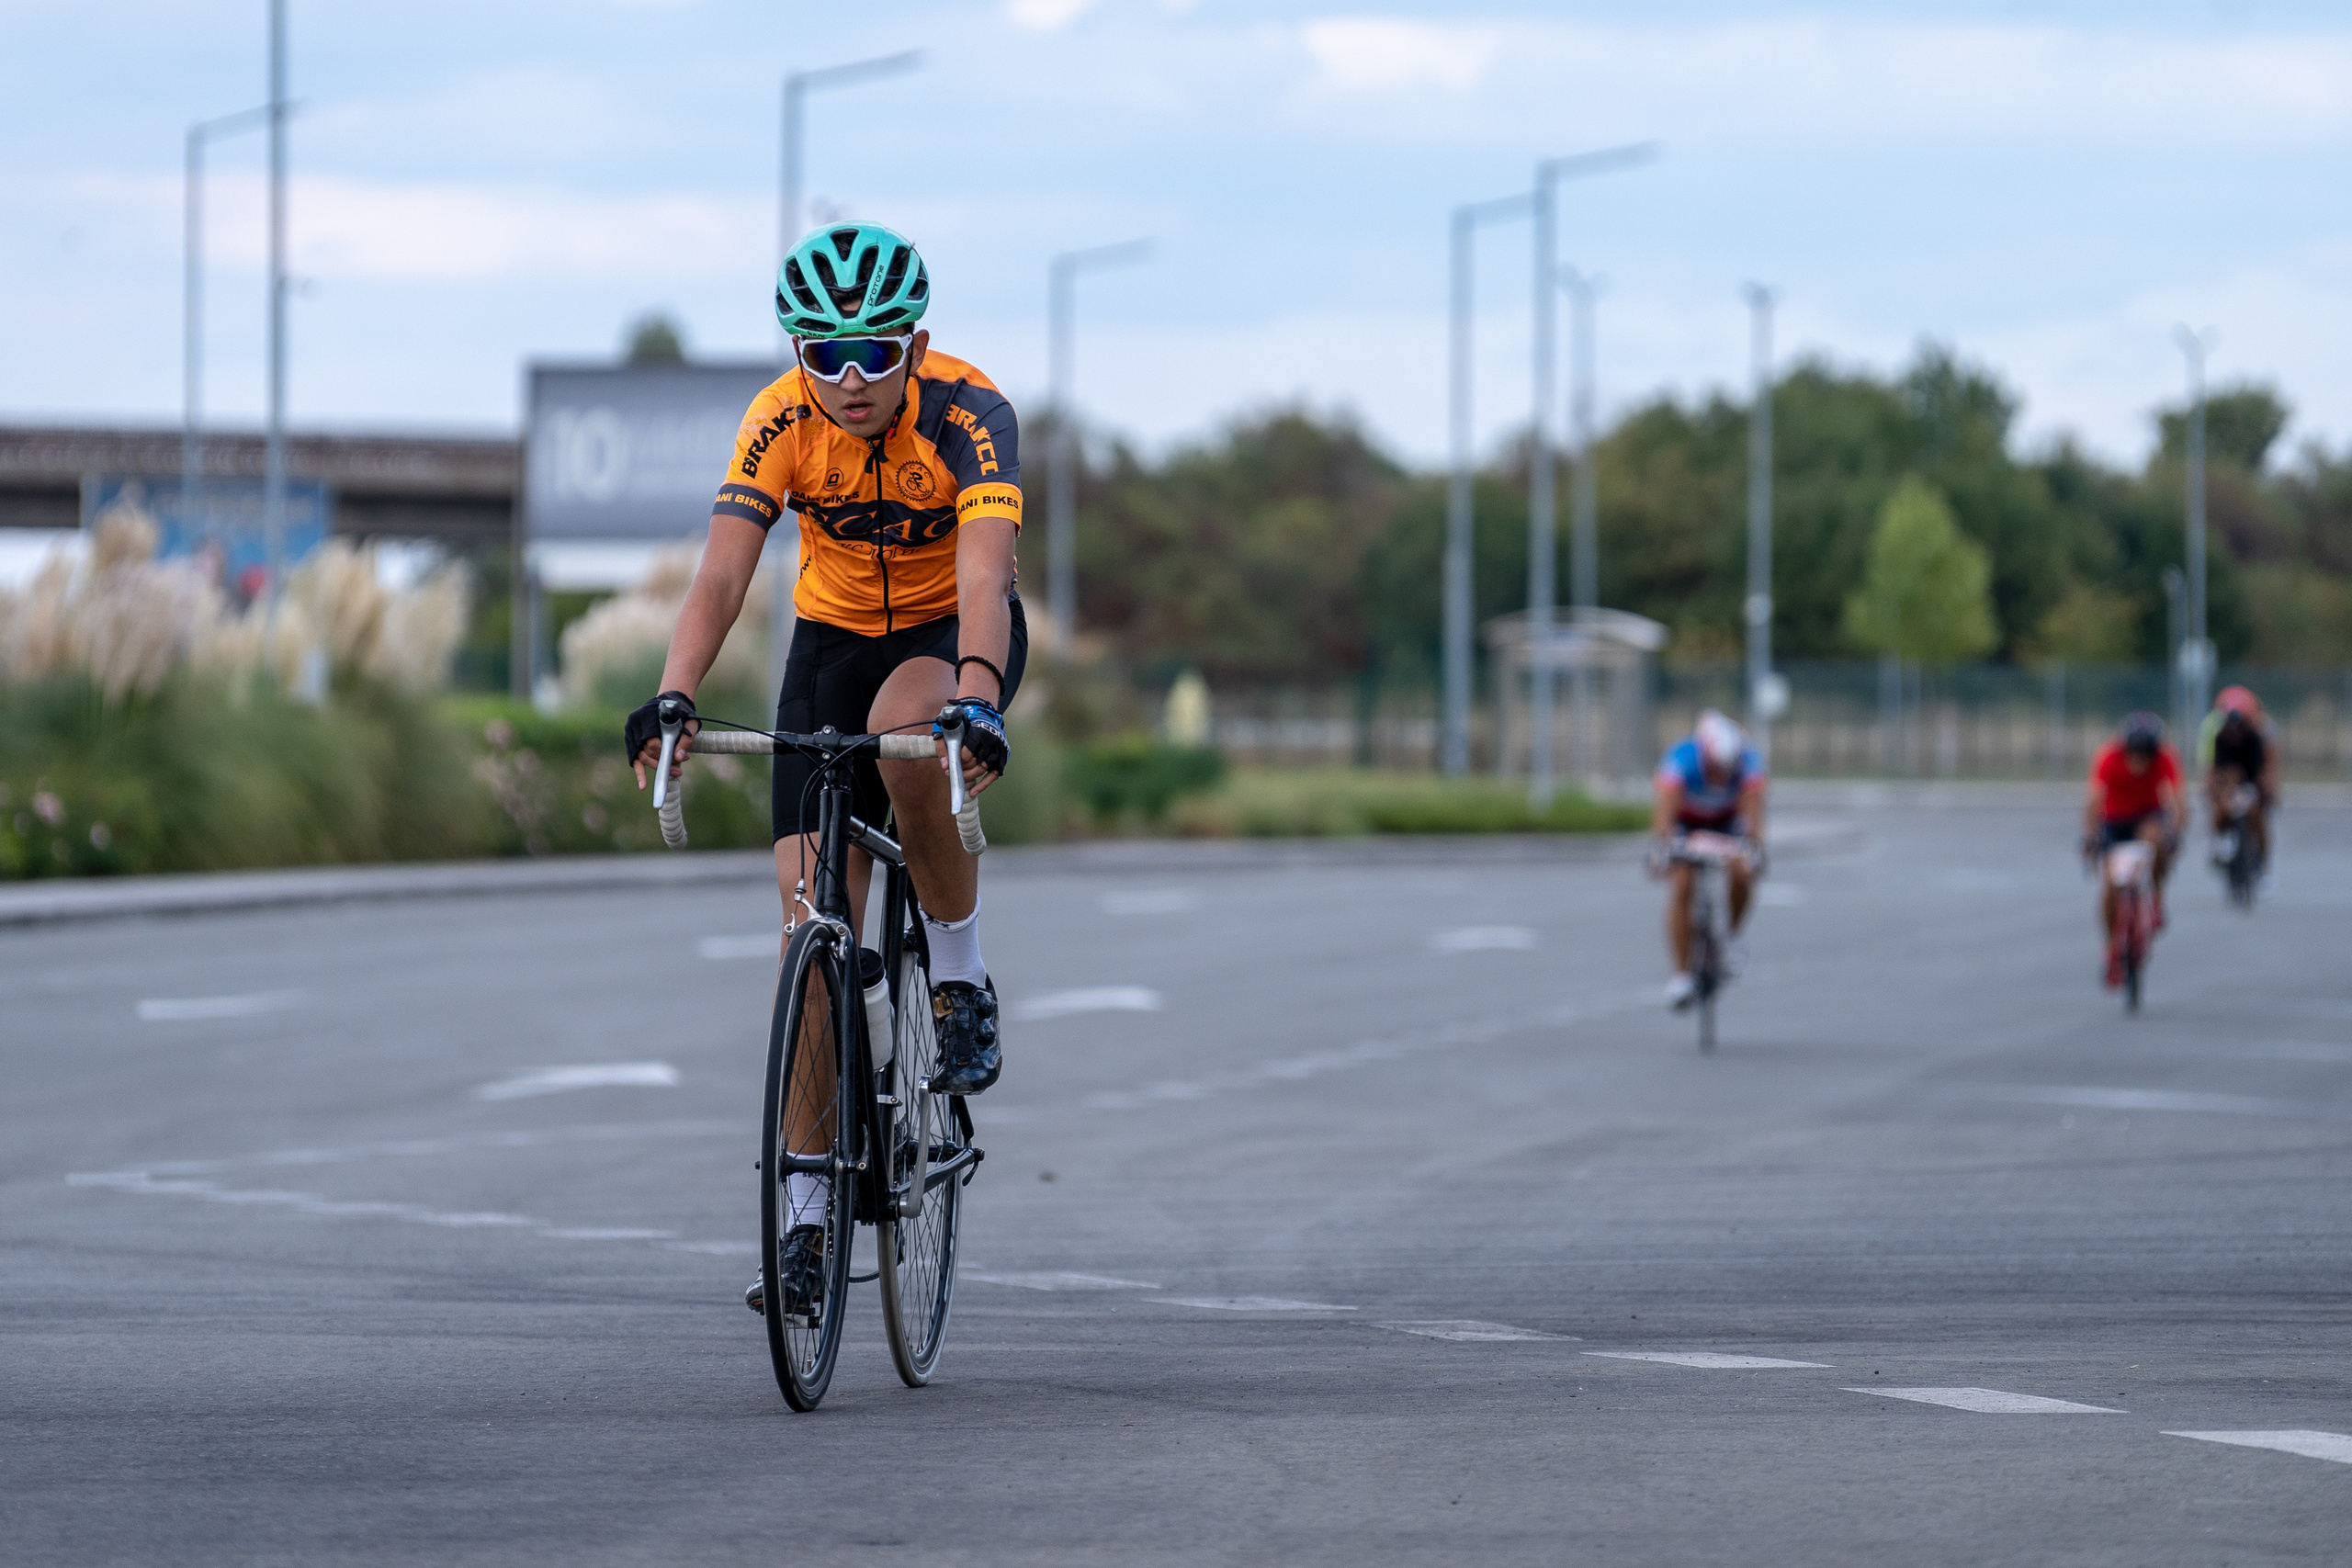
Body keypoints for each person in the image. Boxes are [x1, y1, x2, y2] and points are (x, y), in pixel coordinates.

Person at [620, 222, 1022, 1316]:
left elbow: (987, 575)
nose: (849, 380)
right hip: (827, 651)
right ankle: (804, 1223)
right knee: (809, 938)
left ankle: (957, 973)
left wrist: (977, 698)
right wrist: (675, 693)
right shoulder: (779, 421)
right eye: (822, 352)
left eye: (877, 354)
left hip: (947, 641)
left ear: (918, 345)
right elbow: (719, 578)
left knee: (909, 742)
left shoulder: (970, 415)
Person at [1649, 709, 1769, 1010]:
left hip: (1726, 823)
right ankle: (1681, 976)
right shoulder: (1681, 759)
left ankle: (1731, 938)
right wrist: (1661, 851)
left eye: (1728, 769)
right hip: (1687, 824)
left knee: (1743, 871)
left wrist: (1753, 850)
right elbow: (1664, 817)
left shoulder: (1749, 761)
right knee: (1681, 885)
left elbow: (1753, 817)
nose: (1721, 775)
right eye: (1716, 767)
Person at [2081, 710, 2184, 987]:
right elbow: (2093, 801)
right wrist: (2090, 837)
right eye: (2134, 752)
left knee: (2156, 839)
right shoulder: (2108, 757)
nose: (2140, 759)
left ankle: (2157, 898)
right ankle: (2113, 945)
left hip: (2148, 816)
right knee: (2112, 885)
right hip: (2115, 821)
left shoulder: (2165, 757)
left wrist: (2175, 833)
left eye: (2146, 753)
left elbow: (2177, 799)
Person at [2199, 685, 2278, 874]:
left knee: (2259, 817)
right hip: (2229, 783)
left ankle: (2263, 864)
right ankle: (2221, 842)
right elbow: (2211, 766)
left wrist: (2270, 789)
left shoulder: (2261, 733)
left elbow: (2269, 766)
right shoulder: (2217, 734)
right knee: (2219, 808)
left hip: (2252, 781)